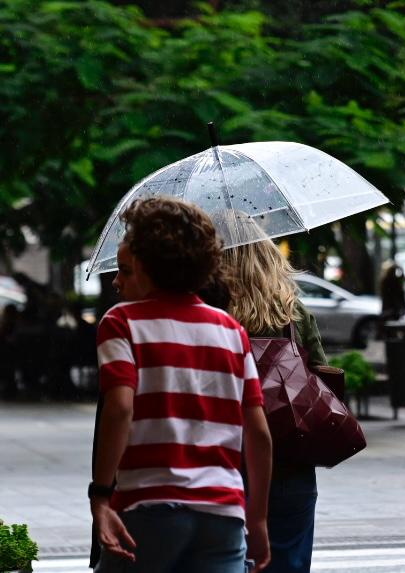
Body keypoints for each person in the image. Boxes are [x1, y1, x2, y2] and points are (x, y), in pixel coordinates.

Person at [90, 197, 272, 573]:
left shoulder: (121, 322)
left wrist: (101, 496)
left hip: (147, 506)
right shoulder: (230, 330)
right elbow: (258, 434)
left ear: (140, 261)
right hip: (222, 515)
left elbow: (120, 408)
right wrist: (257, 520)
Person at [222, 234, 326, 573]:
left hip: (230, 463)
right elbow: (323, 382)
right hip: (291, 462)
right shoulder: (294, 315)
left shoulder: (214, 318)